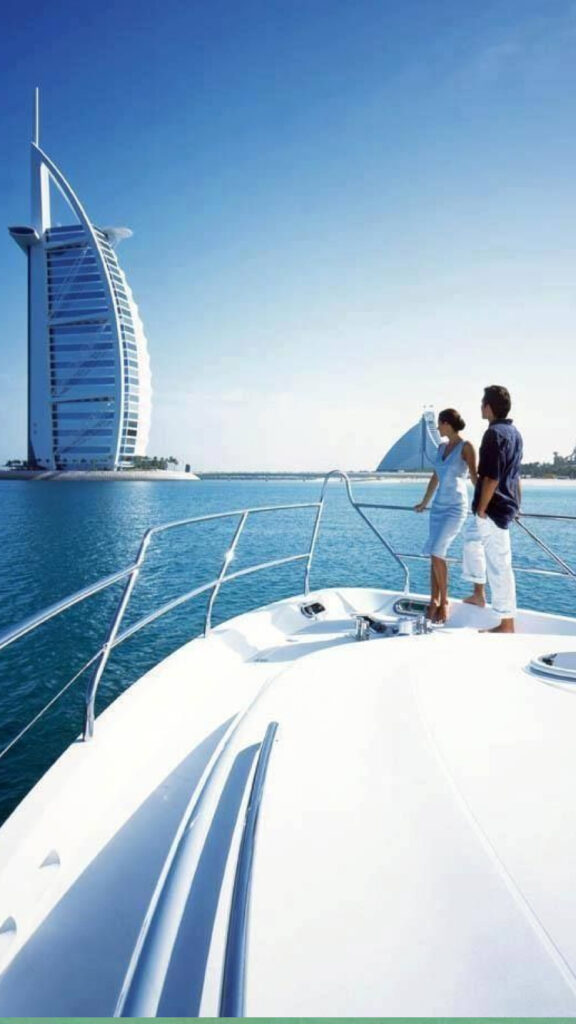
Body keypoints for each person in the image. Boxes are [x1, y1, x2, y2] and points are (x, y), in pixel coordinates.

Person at [462, 384, 523, 633]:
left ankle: (506, 623)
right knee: (471, 540)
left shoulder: (493, 434)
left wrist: (482, 509)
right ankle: (478, 592)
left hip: (493, 509)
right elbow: (516, 475)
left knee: (499, 564)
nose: (480, 407)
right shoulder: (514, 433)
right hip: (504, 506)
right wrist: (517, 504)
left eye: (482, 403)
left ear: (488, 407)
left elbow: (492, 478)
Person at [414, 409, 477, 623]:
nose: (438, 429)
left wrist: (486, 503)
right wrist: (425, 502)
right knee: (434, 554)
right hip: (438, 508)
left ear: (447, 423)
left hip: (455, 508)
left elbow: (475, 479)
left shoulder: (466, 447)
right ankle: (434, 601)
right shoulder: (441, 447)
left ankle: (445, 600)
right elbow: (435, 477)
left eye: (439, 424)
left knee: (438, 550)